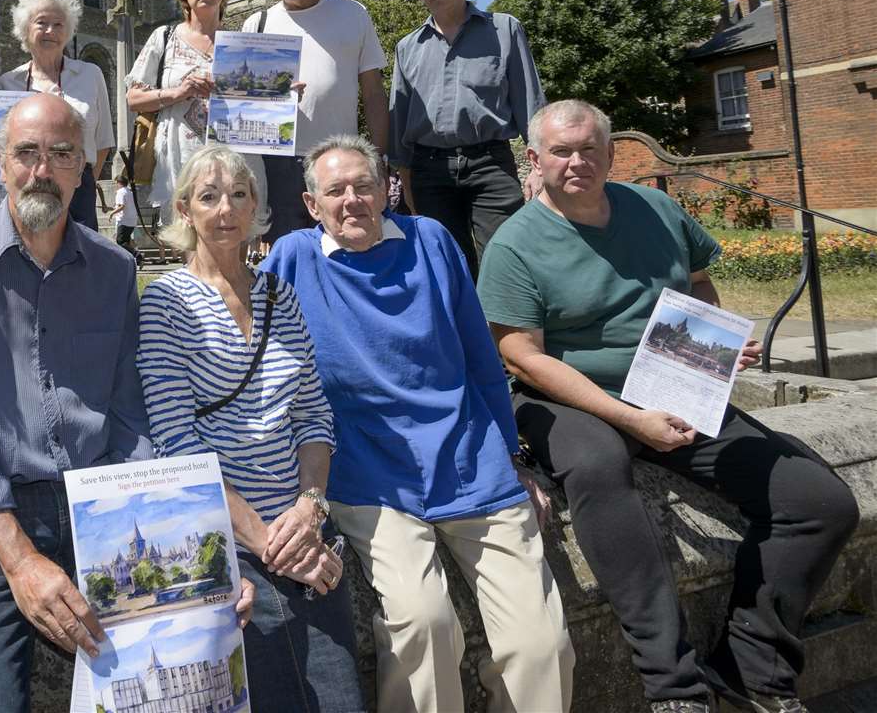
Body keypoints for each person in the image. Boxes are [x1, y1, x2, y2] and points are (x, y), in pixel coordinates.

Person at [478, 99, 857, 713]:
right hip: (563, 394)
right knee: (600, 466)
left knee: (821, 504)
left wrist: (719, 342)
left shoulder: (655, 208)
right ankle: (674, 687)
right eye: (561, 151)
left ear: (608, 153)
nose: (577, 162)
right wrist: (628, 419)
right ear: (535, 159)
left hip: (672, 380)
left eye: (588, 149)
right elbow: (520, 356)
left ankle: (752, 666)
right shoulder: (514, 245)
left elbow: (697, 283)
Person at [0, 93, 252, 712]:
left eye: (62, 153)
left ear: (83, 168)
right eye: (27, 153)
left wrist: (197, 566)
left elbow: (132, 419)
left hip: (103, 514)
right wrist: (18, 560)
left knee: (176, 690)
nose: (42, 170)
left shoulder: (115, 268)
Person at [262, 135, 573, 713]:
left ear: (388, 189)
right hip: (367, 471)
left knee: (542, 642)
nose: (352, 200)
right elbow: (247, 345)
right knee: (422, 623)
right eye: (335, 191)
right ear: (311, 205)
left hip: (467, 459)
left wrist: (511, 455)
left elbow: (482, 355)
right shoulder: (293, 257)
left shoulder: (431, 241)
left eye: (364, 185)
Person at [137, 144, 363, 712]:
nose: (225, 210)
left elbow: (313, 414)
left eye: (239, 195)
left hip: (300, 525)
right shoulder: (165, 302)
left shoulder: (280, 296)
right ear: (185, 210)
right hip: (231, 538)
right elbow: (177, 442)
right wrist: (271, 545)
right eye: (209, 197)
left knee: (340, 698)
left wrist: (310, 507)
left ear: (257, 206)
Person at [388, 0, 545, 276]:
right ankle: (463, 329)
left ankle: (505, 328)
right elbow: (399, 117)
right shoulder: (407, 47)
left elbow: (530, 101)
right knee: (447, 265)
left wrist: (539, 167)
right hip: (431, 171)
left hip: (491, 165)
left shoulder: (503, 30)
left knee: (506, 259)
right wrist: (406, 181)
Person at [242, 0, 388, 245]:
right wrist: (272, 96)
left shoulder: (353, 14)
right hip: (280, 163)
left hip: (342, 160)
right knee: (288, 253)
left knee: (347, 249)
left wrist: (379, 157)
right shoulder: (257, 24)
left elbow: (374, 93)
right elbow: (242, 107)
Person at [127, 0, 266, 226]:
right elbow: (133, 98)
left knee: (234, 243)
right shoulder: (164, 38)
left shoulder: (243, 45)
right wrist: (178, 92)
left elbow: (263, 109)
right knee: (189, 244)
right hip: (182, 159)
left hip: (236, 160)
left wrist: (283, 92)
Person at [0, 0, 114, 229]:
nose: (50, 31)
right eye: (41, 23)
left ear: (68, 30)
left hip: (78, 186)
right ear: (25, 30)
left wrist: (77, 180)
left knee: (80, 258)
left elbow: (103, 141)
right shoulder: (7, 83)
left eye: (58, 24)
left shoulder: (91, 75)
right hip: (26, 185)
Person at [108, 172, 139, 253]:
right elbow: (122, 206)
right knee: (126, 241)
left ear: (119, 183)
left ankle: (136, 254)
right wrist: (113, 209)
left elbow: (122, 206)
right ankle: (132, 258)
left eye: (116, 183)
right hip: (132, 220)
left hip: (124, 220)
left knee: (120, 241)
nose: (116, 185)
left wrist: (111, 213)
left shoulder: (120, 192)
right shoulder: (129, 192)